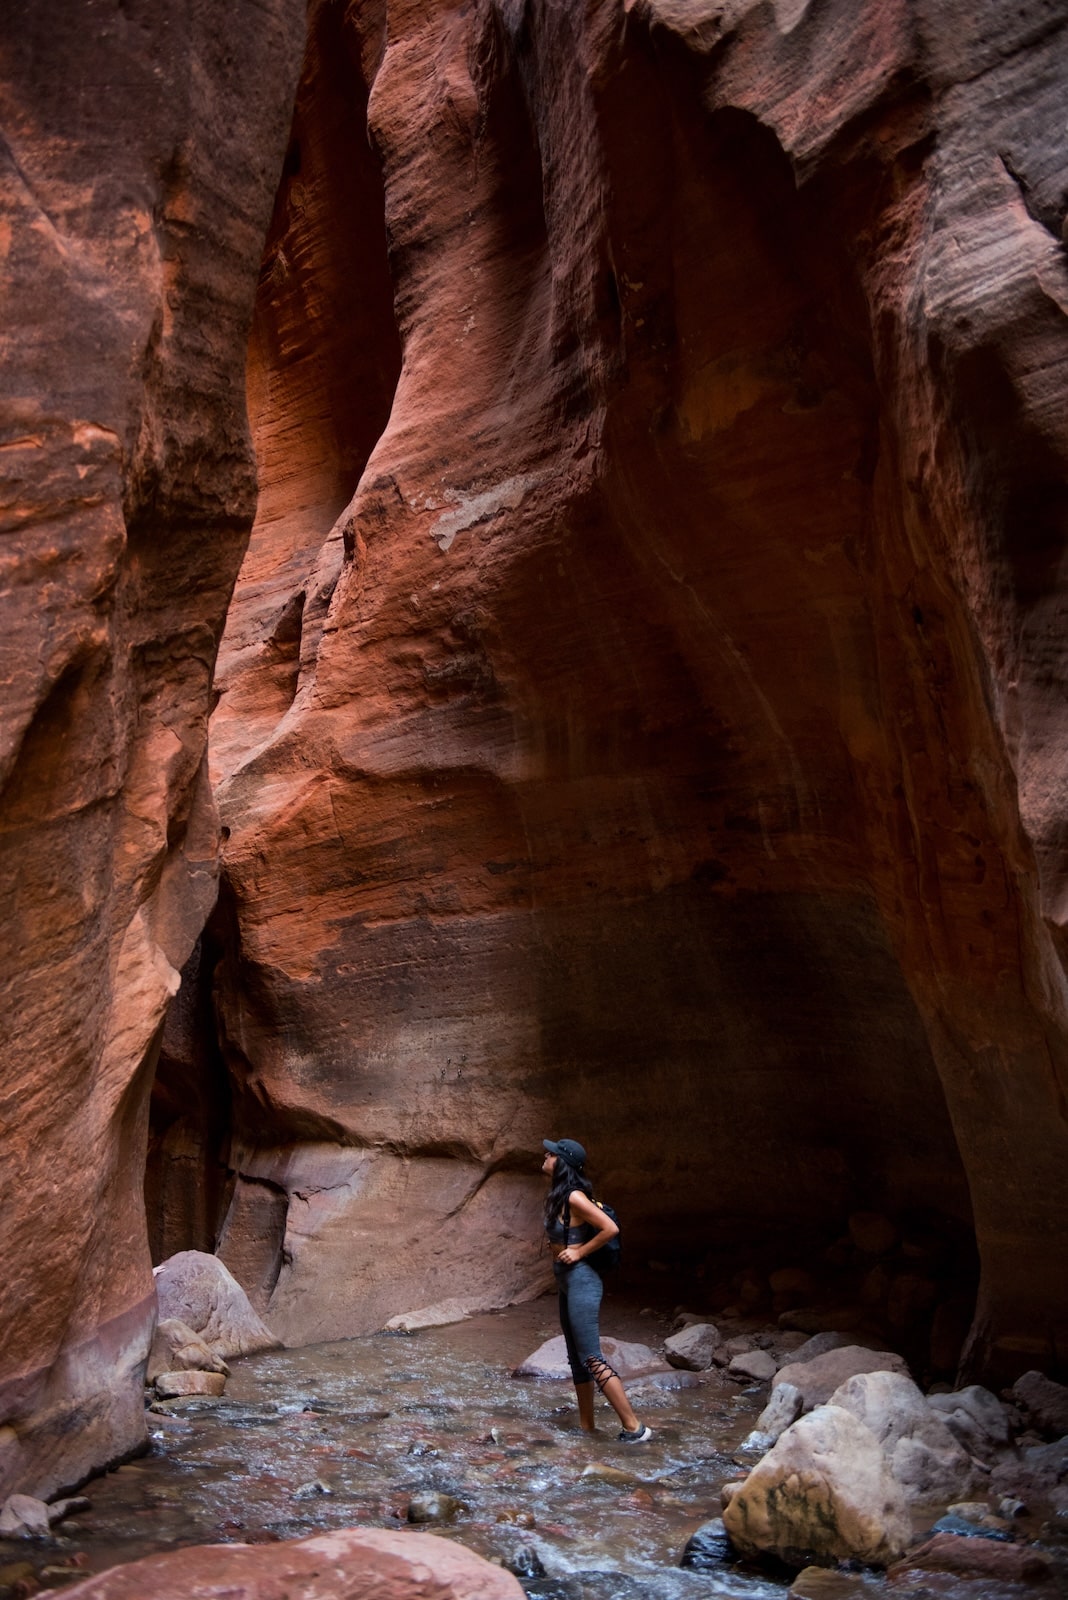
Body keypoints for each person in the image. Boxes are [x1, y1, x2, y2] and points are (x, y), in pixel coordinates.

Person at [542, 1137, 653, 1443]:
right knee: (575, 1358)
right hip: (566, 1278)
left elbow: (610, 1228)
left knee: (591, 1357)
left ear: (562, 1162)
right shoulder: (559, 1196)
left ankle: (635, 1427)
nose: (546, 1155)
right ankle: (587, 1426)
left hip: (582, 1280)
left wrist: (579, 1252)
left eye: (551, 1154)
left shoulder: (575, 1197)